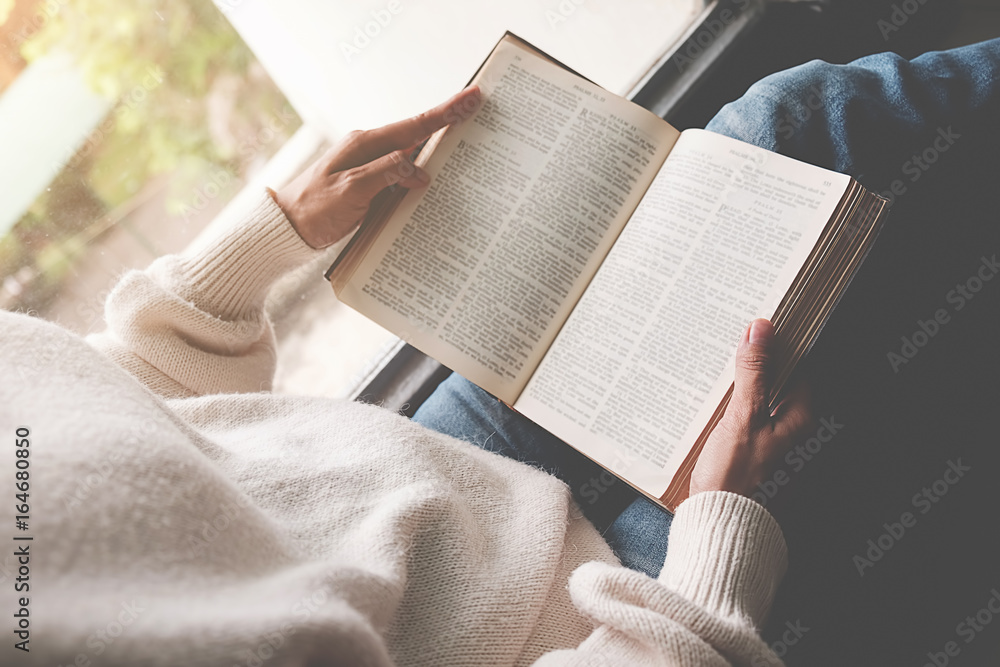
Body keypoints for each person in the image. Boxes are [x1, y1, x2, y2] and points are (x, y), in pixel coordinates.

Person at [2, 37, 998, 666]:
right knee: (798, 144)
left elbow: (114, 437)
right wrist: (715, 537)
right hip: (580, 619)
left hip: (422, 478)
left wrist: (262, 244)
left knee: (767, 135)